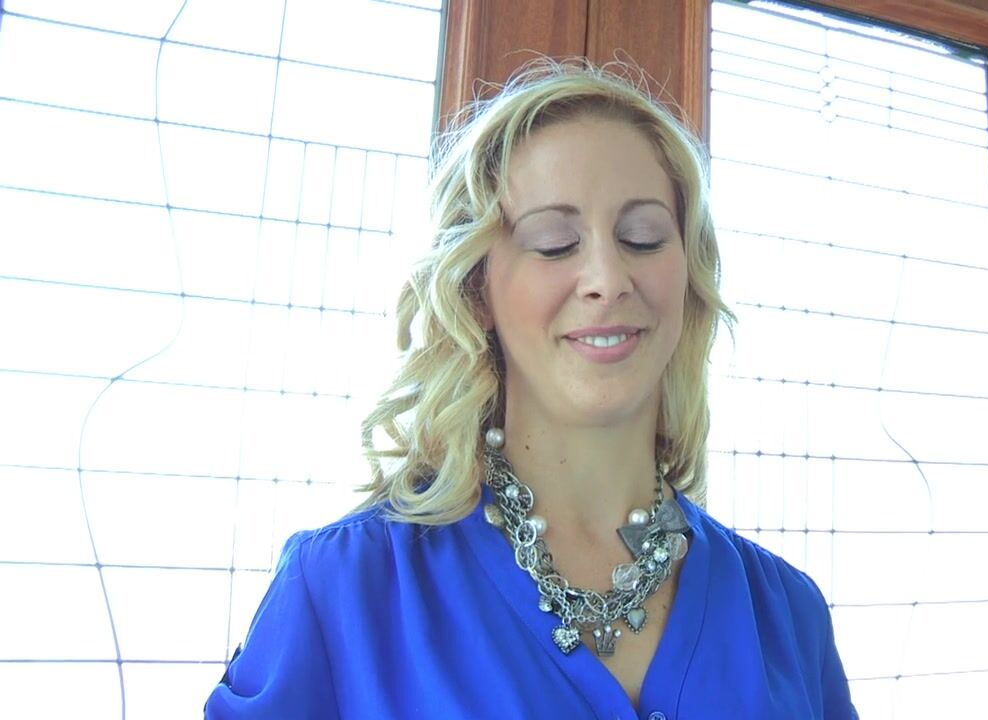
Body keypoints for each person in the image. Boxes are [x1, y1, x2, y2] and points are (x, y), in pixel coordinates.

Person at [205, 59, 859, 719]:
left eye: (642, 238)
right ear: (476, 290)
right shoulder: (340, 592)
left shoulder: (790, 617)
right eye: (553, 243)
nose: (607, 278)